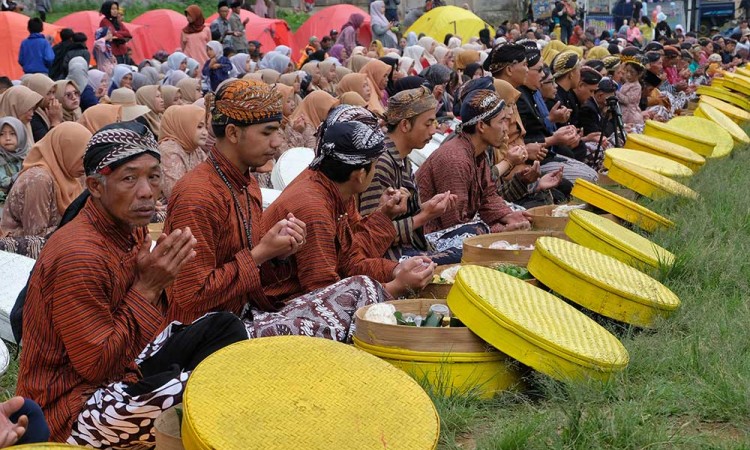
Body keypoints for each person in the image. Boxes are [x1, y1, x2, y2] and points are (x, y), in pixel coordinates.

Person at [16, 121, 248, 446]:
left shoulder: (129, 227)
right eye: (129, 178)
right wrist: (149, 288)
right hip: (70, 408)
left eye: (153, 176)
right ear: (95, 187)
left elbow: (142, 332)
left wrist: (157, 284)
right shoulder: (79, 253)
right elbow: (96, 367)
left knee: (225, 328)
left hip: (123, 368)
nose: (147, 192)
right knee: (200, 389)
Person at [262, 118, 436, 302]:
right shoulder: (314, 208)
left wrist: (396, 269)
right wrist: (395, 287)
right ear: (360, 175)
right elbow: (323, 295)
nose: (376, 170)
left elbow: (351, 259)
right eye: (375, 165)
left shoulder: (338, 188)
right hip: (279, 304)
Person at [358, 86, 463, 264]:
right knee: (462, 255)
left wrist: (427, 207)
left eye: (434, 123)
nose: (433, 131)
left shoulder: (402, 158)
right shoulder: (381, 163)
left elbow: (402, 217)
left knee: (476, 233)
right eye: (428, 123)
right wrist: (425, 215)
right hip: (385, 258)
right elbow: (370, 234)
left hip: (407, 246)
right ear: (405, 125)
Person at [416, 89, 531, 234]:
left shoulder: (478, 153)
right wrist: (501, 230)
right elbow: (454, 224)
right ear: (481, 126)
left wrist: (508, 216)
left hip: (463, 231)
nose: (506, 129)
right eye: (501, 121)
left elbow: (488, 196)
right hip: (430, 236)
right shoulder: (455, 159)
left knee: (522, 215)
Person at [1, 122, 92, 237]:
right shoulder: (38, 180)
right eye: (81, 157)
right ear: (66, 151)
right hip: (21, 250)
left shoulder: (73, 175)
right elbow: (35, 236)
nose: (85, 164)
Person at [158, 105, 208, 201]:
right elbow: (177, 193)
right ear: (185, 126)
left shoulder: (194, 149)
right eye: (199, 127)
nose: (205, 132)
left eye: (206, 127)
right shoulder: (169, 151)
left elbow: (213, 176)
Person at [0, 86, 44, 151]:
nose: (32, 114)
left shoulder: (26, 125)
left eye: (33, 109)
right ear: (15, 107)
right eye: (28, 109)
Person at [22, 74, 61, 144]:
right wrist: (55, 121)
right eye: (48, 93)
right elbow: (46, 144)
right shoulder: (32, 115)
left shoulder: (49, 110)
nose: (52, 97)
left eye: (53, 93)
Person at [0, 117, 29, 204]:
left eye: (12, 134)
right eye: (2, 134)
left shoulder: (27, 157)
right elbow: (4, 181)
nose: (7, 138)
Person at [616, 56, 645, 125]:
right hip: (622, 110)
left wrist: (616, 93)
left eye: (632, 72)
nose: (628, 74)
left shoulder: (637, 86)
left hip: (630, 115)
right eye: (627, 71)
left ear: (639, 74)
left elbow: (627, 100)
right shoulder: (627, 82)